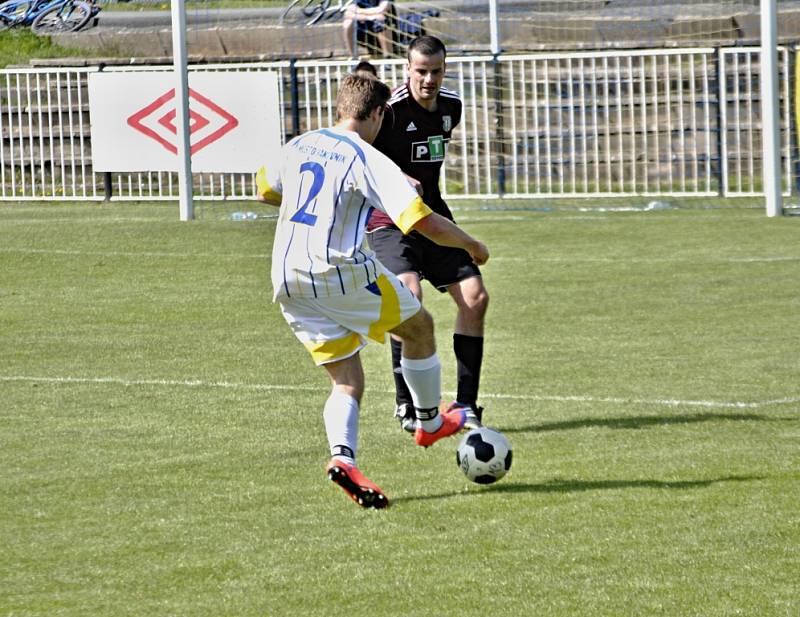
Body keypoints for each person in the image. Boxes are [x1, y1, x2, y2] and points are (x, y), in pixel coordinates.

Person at [255, 73, 489, 509]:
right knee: (419, 326)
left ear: (339, 107)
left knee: (347, 381)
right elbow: (421, 221)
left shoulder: (299, 144)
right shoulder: (368, 156)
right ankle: (429, 420)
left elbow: (266, 188)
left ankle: (343, 459)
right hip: (337, 269)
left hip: (286, 276)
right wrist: (472, 244)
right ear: (379, 113)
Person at [366, 35, 490, 434]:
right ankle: (407, 404)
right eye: (421, 71)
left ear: (444, 69)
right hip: (389, 221)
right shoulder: (390, 110)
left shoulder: (451, 107)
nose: (428, 79)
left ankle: (467, 404)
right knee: (410, 299)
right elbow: (359, 150)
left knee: (475, 297)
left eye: (436, 71)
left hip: (433, 218)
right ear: (407, 69)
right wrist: (395, 177)